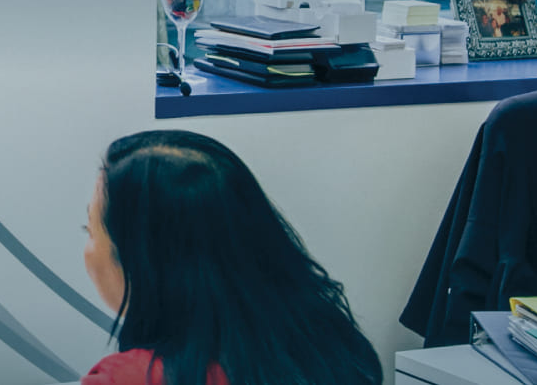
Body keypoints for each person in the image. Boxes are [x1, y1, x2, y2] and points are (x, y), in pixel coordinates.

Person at [80, 130, 381, 385]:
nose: (88, 249)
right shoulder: (337, 346)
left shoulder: (128, 377)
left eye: (91, 231)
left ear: (141, 260)